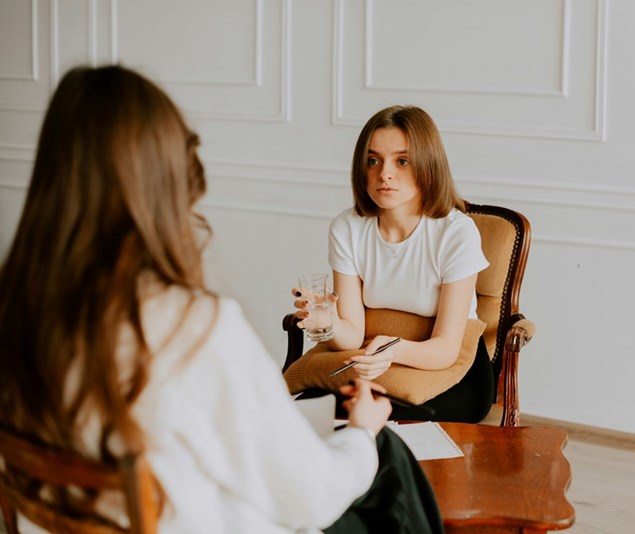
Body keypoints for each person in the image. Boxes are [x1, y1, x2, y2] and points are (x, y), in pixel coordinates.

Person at [0, 66, 442, 533]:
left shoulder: (19, 313)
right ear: (169, 180)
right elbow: (311, 498)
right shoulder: (190, 327)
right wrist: (360, 432)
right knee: (384, 458)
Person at [293, 105, 493, 423]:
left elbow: (445, 348)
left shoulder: (456, 233)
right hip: (373, 358)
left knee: (375, 423)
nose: (384, 174)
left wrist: (394, 350)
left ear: (428, 165)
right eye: (373, 160)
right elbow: (353, 336)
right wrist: (328, 321)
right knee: (305, 412)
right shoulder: (348, 227)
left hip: (450, 369)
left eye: (402, 161)